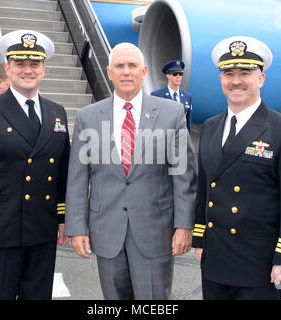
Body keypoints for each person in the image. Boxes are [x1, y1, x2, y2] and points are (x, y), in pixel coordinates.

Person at [65, 43, 197, 300]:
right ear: (109, 71)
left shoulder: (171, 113)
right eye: (119, 66)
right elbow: (78, 178)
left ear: (143, 71)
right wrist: (77, 227)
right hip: (106, 231)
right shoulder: (88, 117)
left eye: (132, 66)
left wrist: (184, 226)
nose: (126, 72)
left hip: (155, 231)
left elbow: (183, 175)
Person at [192, 36, 281, 300]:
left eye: (245, 73)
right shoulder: (211, 127)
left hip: (259, 265)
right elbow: (204, 190)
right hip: (214, 260)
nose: (236, 80)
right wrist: (200, 241)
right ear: (221, 79)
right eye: (228, 73)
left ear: (261, 79)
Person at [0, 30, 70, 300]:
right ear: (8, 68)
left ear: (44, 69)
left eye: (34, 64)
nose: (27, 70)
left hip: (43, 231)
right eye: (20, 64)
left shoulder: (57, 112)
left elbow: (62, 171)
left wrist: (63, 218)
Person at [151, 60, 193, 133]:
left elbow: (188, 123)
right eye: (175, 74)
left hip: (180, 140)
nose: (178, 76)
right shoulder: (156, 95)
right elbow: (152, 122)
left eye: (180, 74)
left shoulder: (187, 97)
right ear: (168, 75)